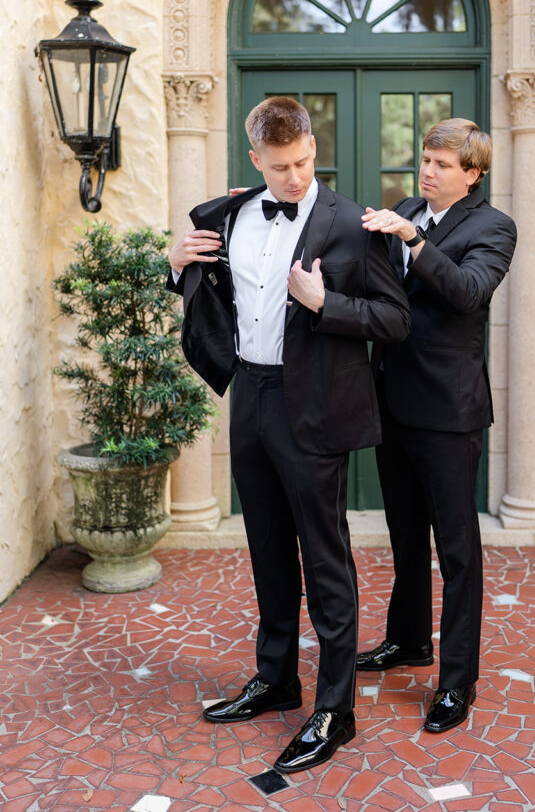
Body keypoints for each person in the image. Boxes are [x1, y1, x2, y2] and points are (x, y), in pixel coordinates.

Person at [167, 96, 410, 773]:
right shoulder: (228, 214)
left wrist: (324, 304)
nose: (295, 179)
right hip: (251, 394)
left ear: (312, 146)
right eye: (280, 168)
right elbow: (206, 289)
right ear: (256, 161)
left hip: (316, 407)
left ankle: (336, 708)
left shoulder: (354, 224)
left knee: (325, 557)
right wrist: (174, 262)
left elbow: (394, 319)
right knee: (267, 546)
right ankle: (275, 678)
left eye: (303, 162)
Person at [358, 118, 516, 733]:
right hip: (391, 402)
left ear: (472, 174)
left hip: (449, 413)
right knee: (403, 535)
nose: (427, 171)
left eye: (443, 164)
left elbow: (468, 292)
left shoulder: (493, 226)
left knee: (457, 551)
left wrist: (415, 242)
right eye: (426, 159)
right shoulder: (405, 208)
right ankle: (407, 641)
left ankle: (457, 682)